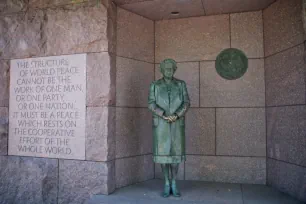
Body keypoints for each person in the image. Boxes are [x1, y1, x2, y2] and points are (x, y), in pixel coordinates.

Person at [148, 58, 190, 197]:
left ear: (174, 70)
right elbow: (151, 103)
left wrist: (177, 115)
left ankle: (174, 182)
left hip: (177, 123)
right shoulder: (155, 85)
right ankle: (166, 182)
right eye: (166, 69)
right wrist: (163, 114)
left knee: (176, 154)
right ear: (161, 70)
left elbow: (186, 102)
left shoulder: (181, 84)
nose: (169, 71)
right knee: (163, 154)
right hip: (161, 124)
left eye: (171, 69)